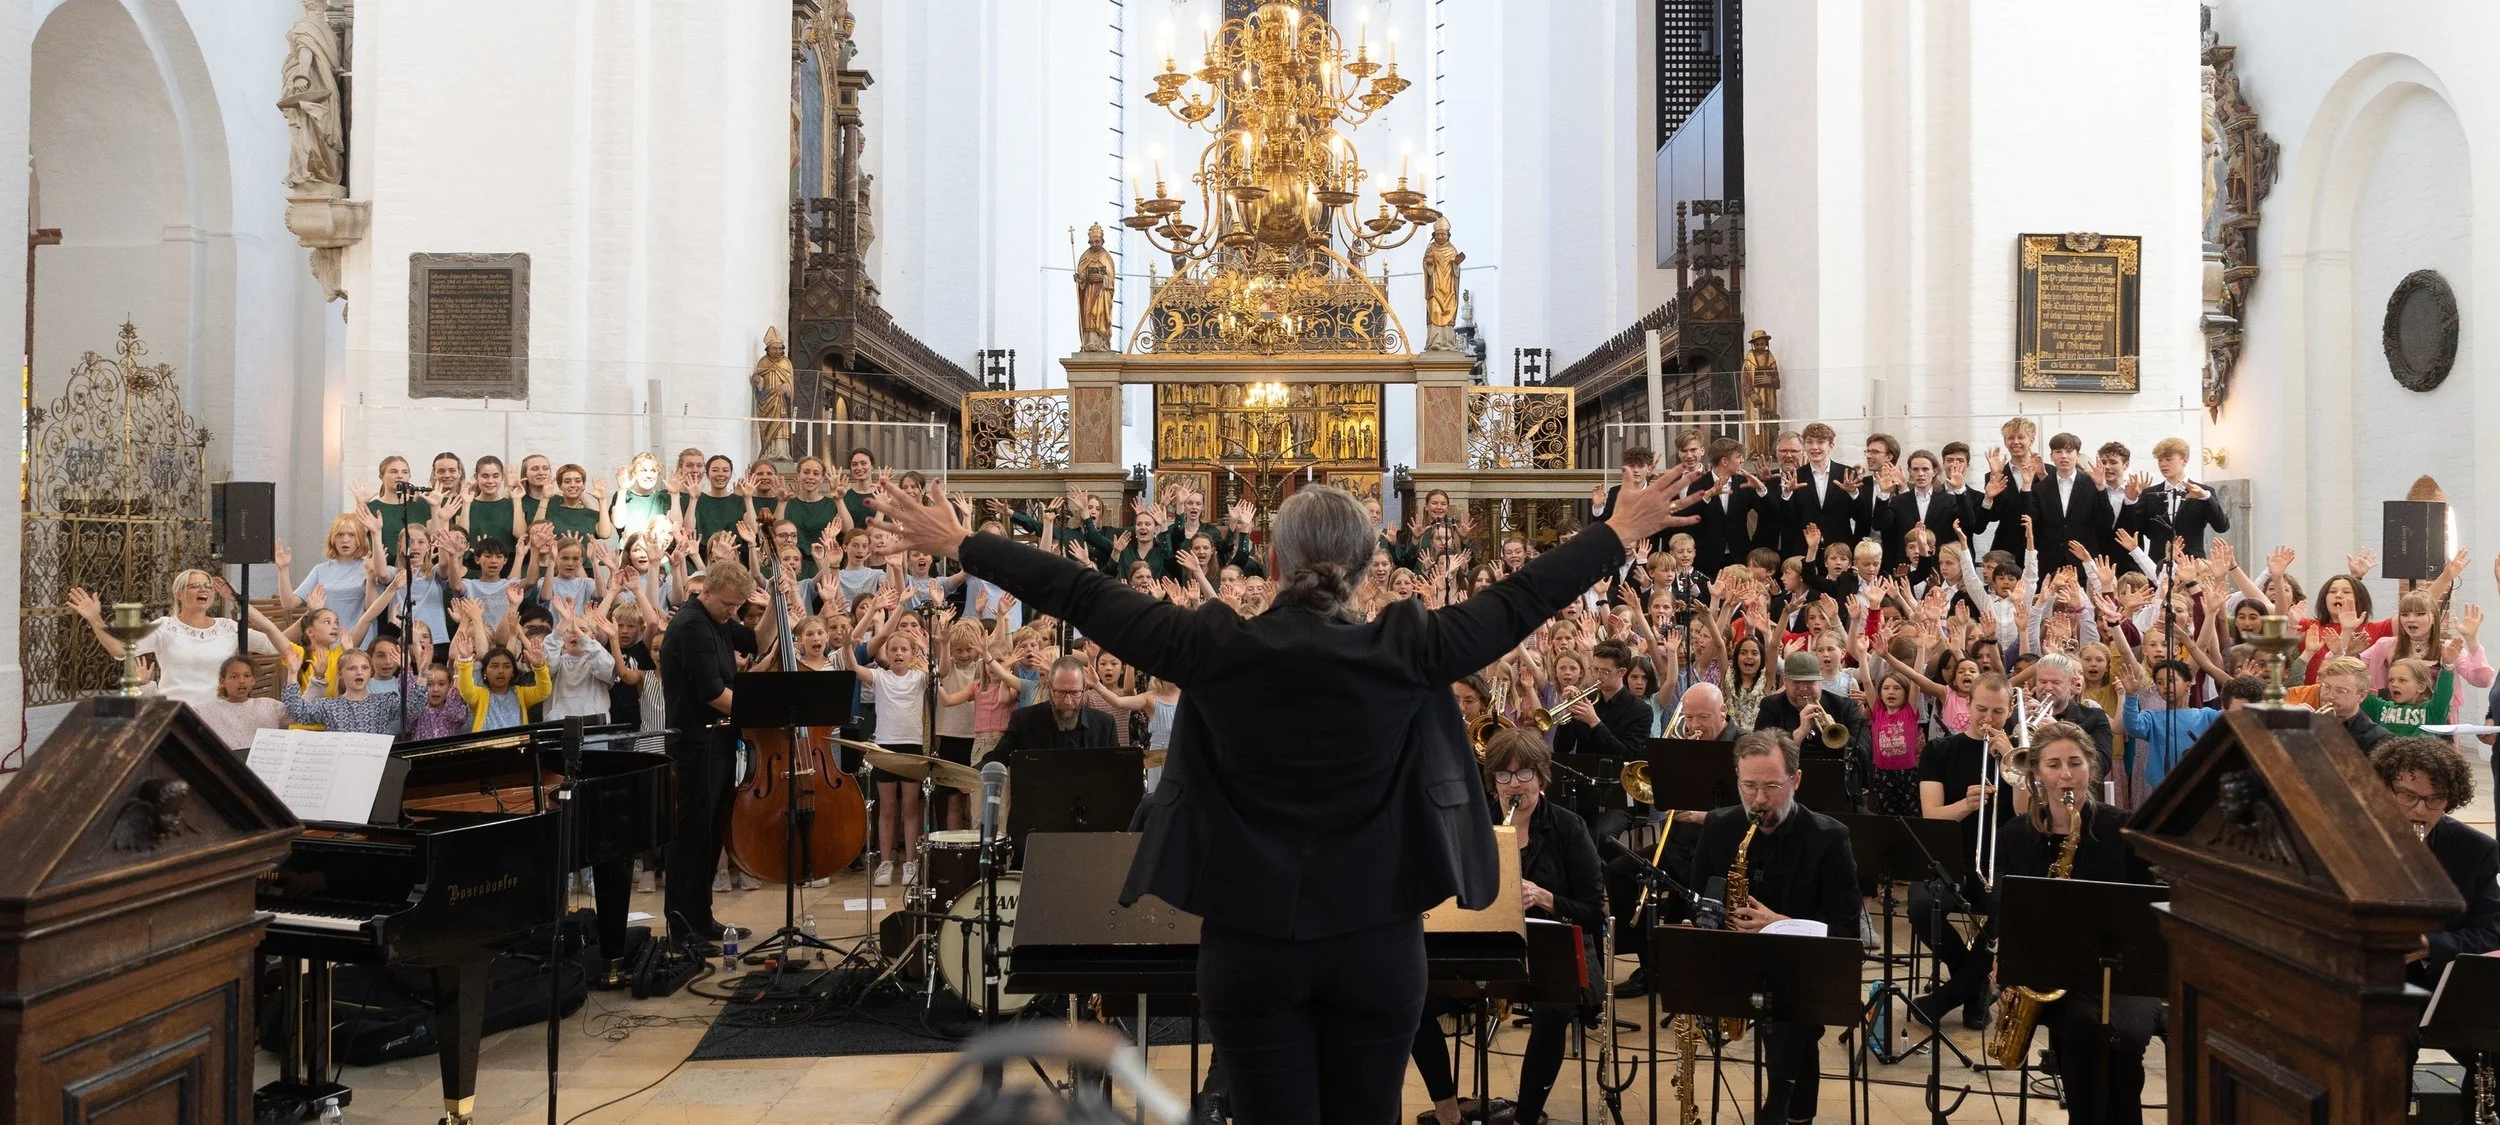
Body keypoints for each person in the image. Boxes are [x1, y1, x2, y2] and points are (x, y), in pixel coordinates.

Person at [866, 466, 1700, 1125]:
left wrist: (965, 540)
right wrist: (1617, 530)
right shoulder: (1408, 647)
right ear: (1367, 570)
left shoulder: (1213, 645)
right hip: (1377, 945)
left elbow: (1082, 594)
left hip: (1251, 945)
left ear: (1271, 562)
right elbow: (1522, 598)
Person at [1409, 729, 1603, 1125]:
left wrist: (1544, 897)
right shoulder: (1472, 826)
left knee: (1553, 1011)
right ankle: (1448, 1110)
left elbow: (1593, 913)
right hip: (1484, 949)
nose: (1514, 784)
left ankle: (1526, 1117)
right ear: (1492, 781)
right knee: (1411, 1000)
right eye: (1503, 775)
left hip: (1549, 955)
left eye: (1524, 773)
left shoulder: (1569, 828)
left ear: (1541, 778)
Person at [1989, 721, 2158, 1125]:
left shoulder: (2122, 829)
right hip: (2048, 975)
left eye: (2075, 763)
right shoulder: (2015, 836)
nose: (2066, 775)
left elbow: (2150, 908)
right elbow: (2004, 911)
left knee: (2124, 1037)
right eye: (2053, 765)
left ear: (2091, 768)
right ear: (2036, 773)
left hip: (2122, 974)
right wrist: (2003, 961)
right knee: (2084, 1030)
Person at [1688, 731, 1860, 1125]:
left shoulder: (1829, 838)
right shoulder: (1719, 826)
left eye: (1771, 787)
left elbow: (1847, 931)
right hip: (1735, 958)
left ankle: (1781, 1107)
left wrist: (1780, 924)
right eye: (1749, 786)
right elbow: (1698, 901)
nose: (1759, 800)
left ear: (1795, 780)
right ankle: (1791, 1112)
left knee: (1791, 1016)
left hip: (1803, 965)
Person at [1911, 673, 2016, 1030]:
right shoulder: (1941, 751)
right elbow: (1931, 815)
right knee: (1921, 910)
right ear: (1968, 705)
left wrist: (2011, 760)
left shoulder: (2018, 756)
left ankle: (1948, 997)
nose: (1988, 718)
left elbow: (2025, 813)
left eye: (1998, 712)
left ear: (2010, 710)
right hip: (1949, 860)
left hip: (2000, 863)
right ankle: (1973, 988)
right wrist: (1966, 806)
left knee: (2012, 914)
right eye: (1981, 709)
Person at [659, 563, 753, 945]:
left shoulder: (718, 618)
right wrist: (760, 712)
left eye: (737, 606)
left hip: (717, 742)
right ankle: (682, 927)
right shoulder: (692, 626)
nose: (732, 612)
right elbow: (713, 693)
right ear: (707, 592)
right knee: (691, 837)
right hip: (694, 746)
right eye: (728, 604)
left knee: (711, 834)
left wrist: (776, 603)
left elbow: (756, 641)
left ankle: (702, 917)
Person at [67, 571, 288, 707]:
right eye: (195, 586)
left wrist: (307, 620)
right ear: (179, 594)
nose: (203, 589)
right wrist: (95, 619)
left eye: (208, 586)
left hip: (219, 716)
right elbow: (119, 649)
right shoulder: (165, 627)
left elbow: (276, 644)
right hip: (177, 715)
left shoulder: (228, 627)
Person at [984, 656, 1120, 764]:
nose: (1068, 701)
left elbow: (1115, 771)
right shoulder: (1024, 720)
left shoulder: (1105, 725)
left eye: (1074, 693)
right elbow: (997, 759)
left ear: (1084, 688)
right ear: (1049, 687)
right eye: (1061, 692)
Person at [193, 655, 289, 751]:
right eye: (234, 677)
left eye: (247, 676)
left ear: (253, 680)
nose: (241, 681)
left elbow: (296, 715)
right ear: (222, 682)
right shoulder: (205, 711)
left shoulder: (270, 706)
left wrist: (292, 673)